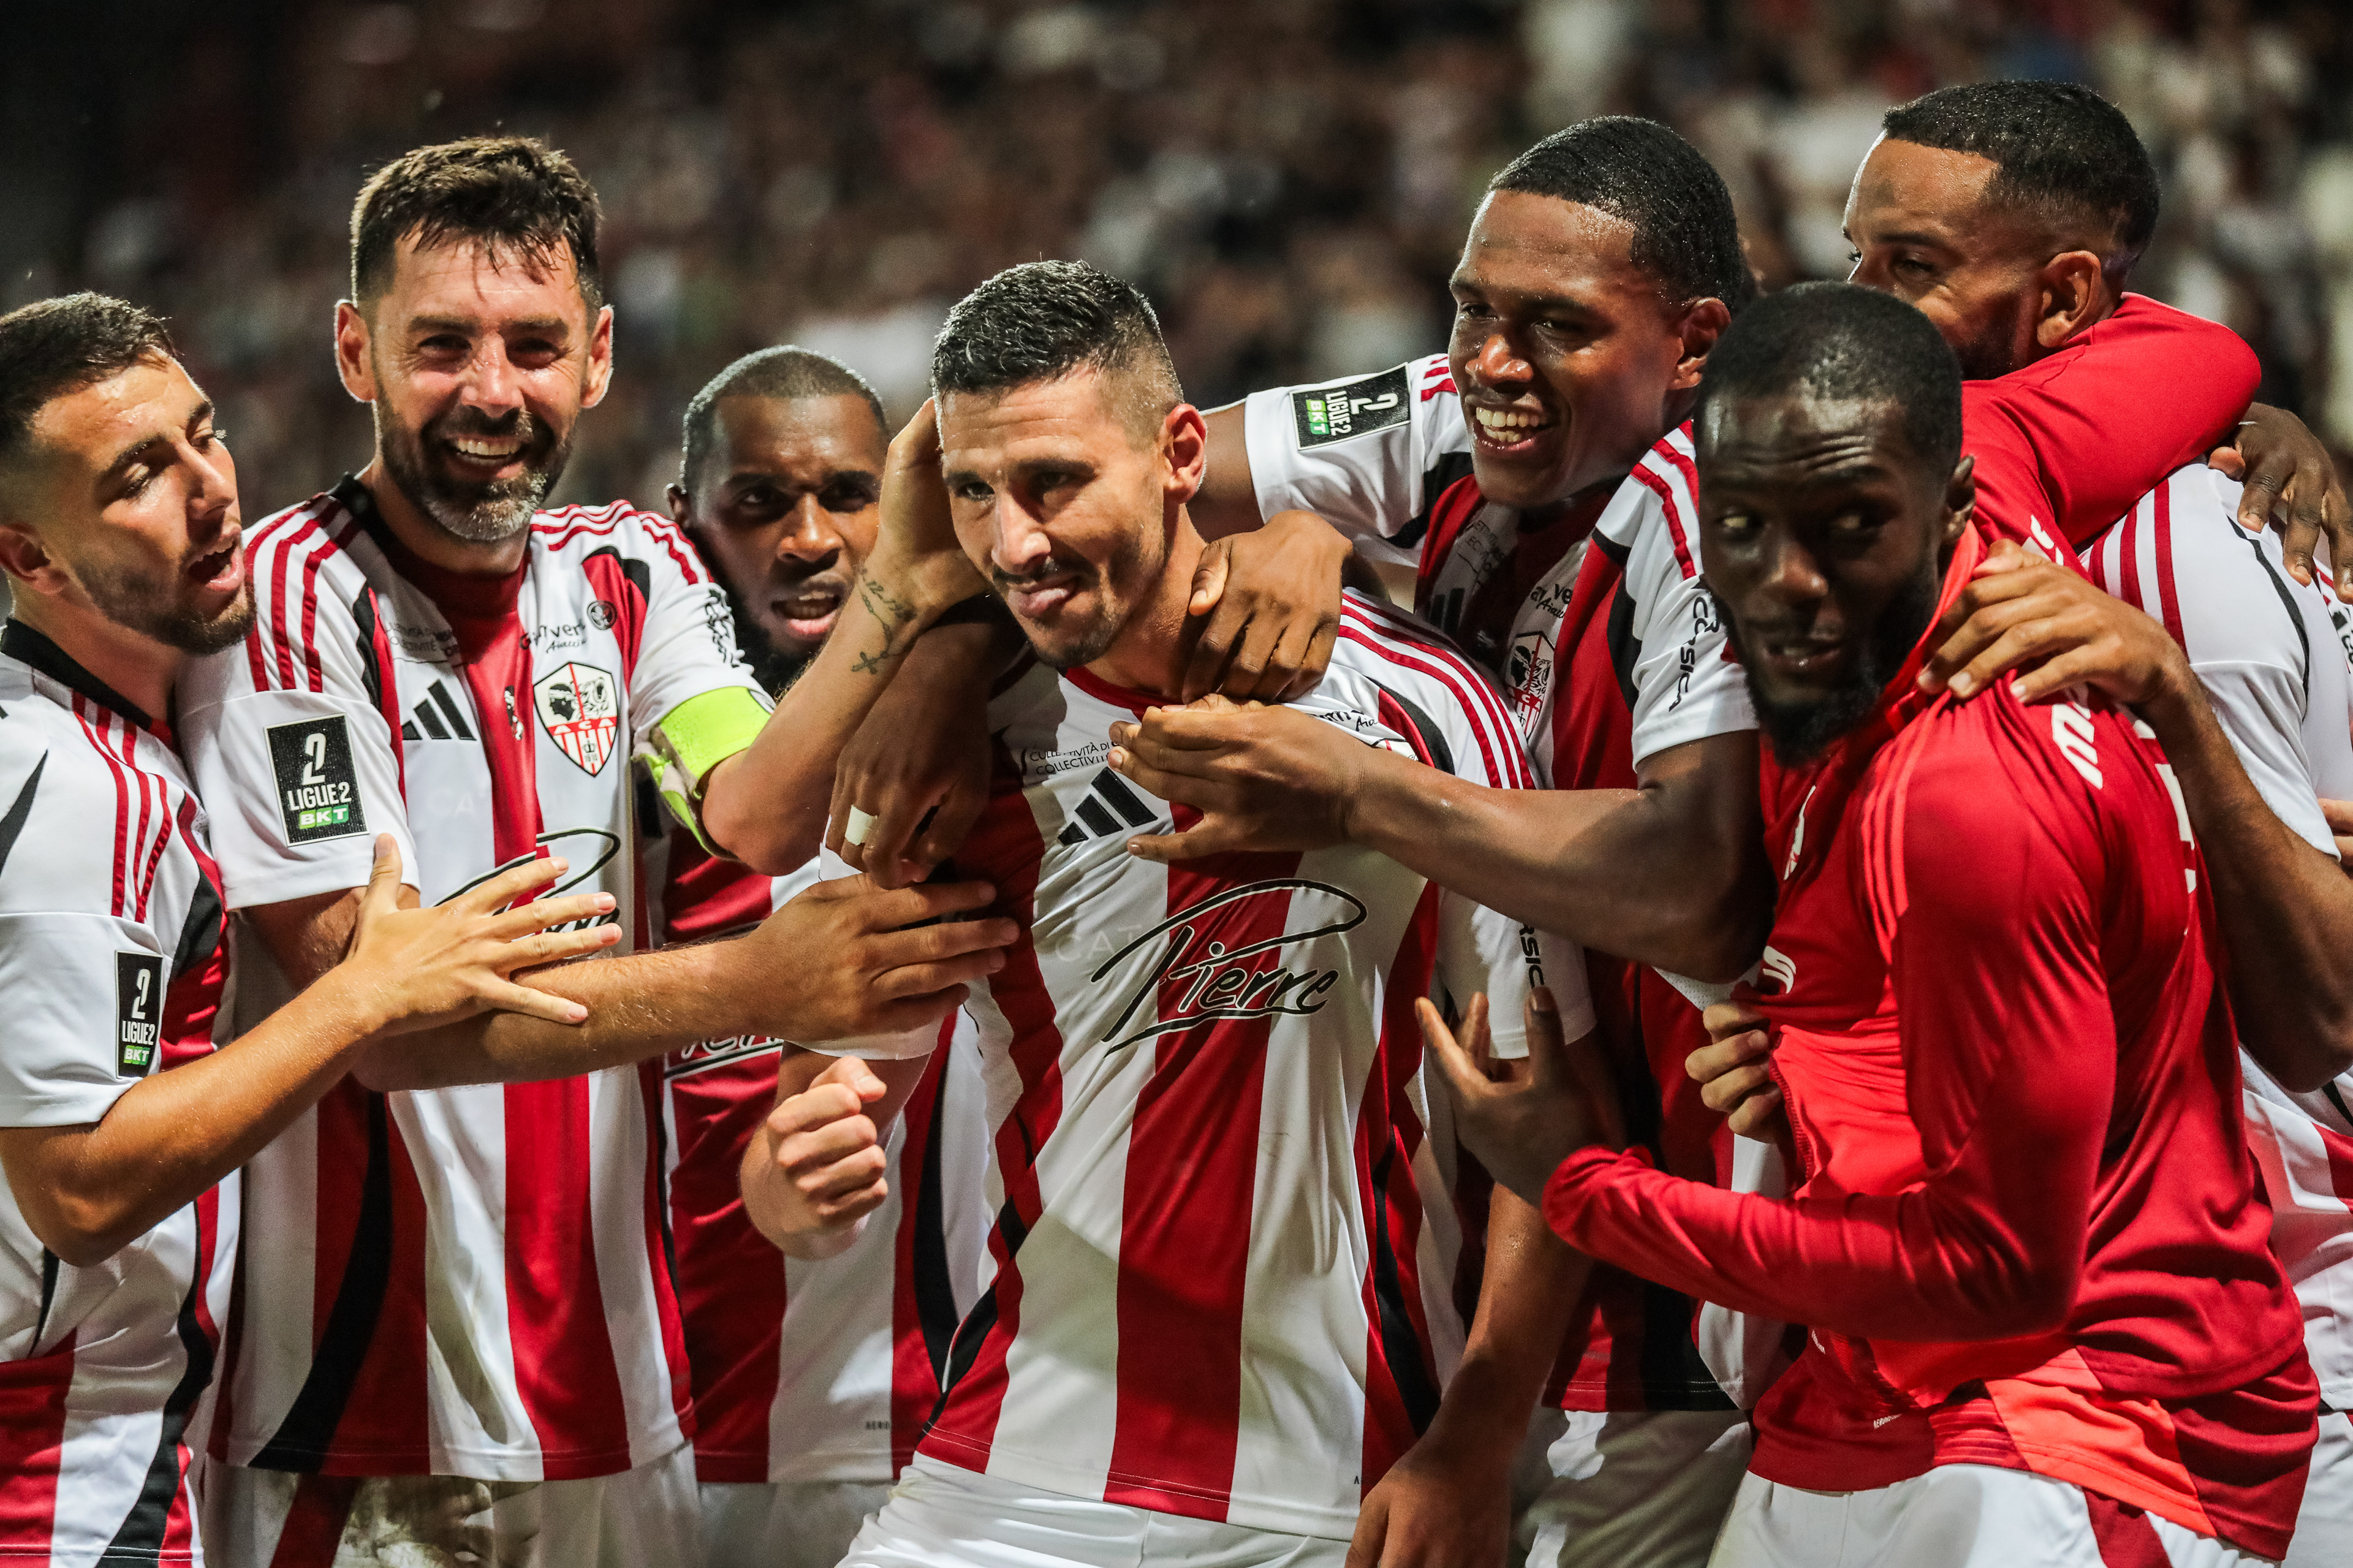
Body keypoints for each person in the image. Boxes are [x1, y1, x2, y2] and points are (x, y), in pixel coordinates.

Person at [1099, 108, 2303, 1568]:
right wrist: (1306, 536)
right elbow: (1094, 480)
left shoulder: (2019, 651)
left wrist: (1356, 796)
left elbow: (1714, 905)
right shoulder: (1520, 415)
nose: (1784, 584)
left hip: (2048, 1413)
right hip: (1833, 1376)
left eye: (1909, 266)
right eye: (1475, 312)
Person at [176, 138, 1015, 1565]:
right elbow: (368, 1023)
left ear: (602, 356)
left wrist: (922, 595)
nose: (492, 393)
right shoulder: (288, 598)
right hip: (369, 1418)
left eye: (533, 344)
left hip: (625, 1410)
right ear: (353, 351)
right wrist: (760, 978)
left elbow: (754, 808)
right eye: (440, 344)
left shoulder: (632, 569)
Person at [1431, 281, 2317, 1568]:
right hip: (1884, 1397)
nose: (1788, 586)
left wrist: (1581, 1187)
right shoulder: (1922, 564)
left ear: (1952, 503)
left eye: (1849, 528)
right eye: (1743, 529)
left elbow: (1999, 1271)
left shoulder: (1968, 796)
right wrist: (1815, 1044)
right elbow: (2203, 360)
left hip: (2075, 1429)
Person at [746, 259, 1593, 1568]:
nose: (1014, 539)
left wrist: (1478, 1435)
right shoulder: (953, 754)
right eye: (973, 491)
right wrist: (789, 1178)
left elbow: (1546, 1105)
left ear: (1181, 450)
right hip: (1001, 1483)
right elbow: (821, 1095)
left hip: (1335, 1488)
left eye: (1054, 481)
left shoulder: (1428, 705)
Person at [0, 294, 615, 1562]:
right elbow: (79, 1186)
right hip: (52, 1459)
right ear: (30, 556)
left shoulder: (108, 738)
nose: (209, 487)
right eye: (134, 477)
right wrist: (365, 993)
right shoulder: (74, 787)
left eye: (201, 434)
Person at [653, 345, 993, 1568]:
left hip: (920, 1436)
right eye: (759, 501)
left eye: (848, 495)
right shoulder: (619, 790)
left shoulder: (991, 746)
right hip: (652, 1439)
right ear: (681, 526)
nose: (809, 538)